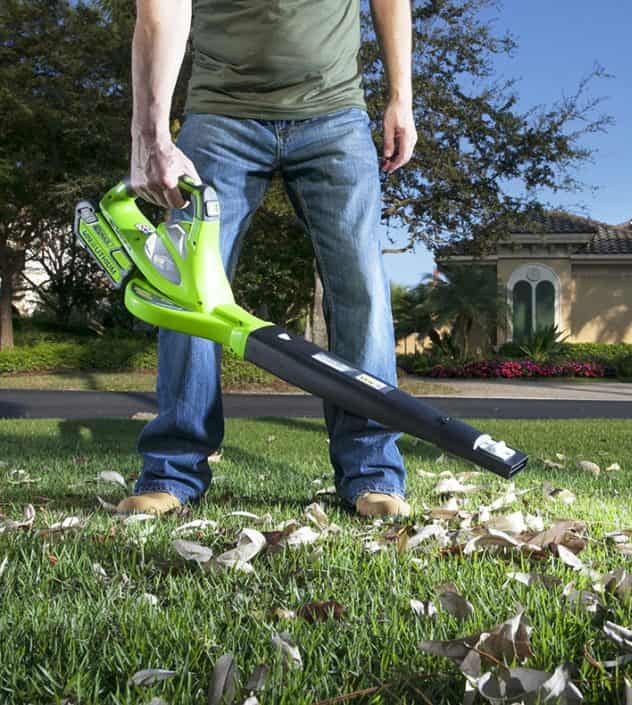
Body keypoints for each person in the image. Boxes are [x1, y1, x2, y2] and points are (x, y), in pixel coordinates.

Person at [117, 0, 418, 518]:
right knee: (186, 290)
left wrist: (401, 96)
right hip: (220, 118)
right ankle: (172, 470)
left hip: (335, 114)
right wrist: (150, 134)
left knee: (361, 288)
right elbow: (161, 12)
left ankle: (372, 471)